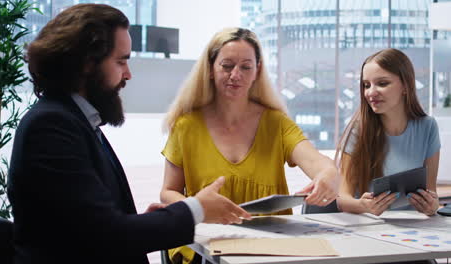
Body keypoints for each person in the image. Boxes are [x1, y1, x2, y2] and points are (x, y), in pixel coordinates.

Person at [7, 4, 251, 264]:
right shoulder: (51, 127)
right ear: (87, 63)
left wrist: (149, 221)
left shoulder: (76, 122)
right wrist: (196, 209)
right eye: (121, 61)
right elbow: (106, 236)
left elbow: (91, 225)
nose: (128, 74)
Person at [160, 27, 339, 263]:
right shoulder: (186, 126)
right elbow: (167, 192)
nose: (236, 75)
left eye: (246, 67)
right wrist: (197, 207)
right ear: (211, 69)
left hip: (271, 249)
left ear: (258, 71)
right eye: (227, 66)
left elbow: (318, 163)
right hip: (205, 247)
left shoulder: (277, 123)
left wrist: (329, 175)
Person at [336, 48, 440, 217]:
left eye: (382, 83)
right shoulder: (359, 130)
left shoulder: (428, 127)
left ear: (405, 86)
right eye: (366, 85)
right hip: (369, 226)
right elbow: (342, 199)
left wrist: (432, 206)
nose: (370, 92)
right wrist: (363, 205)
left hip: (413, 229)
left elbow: (431, 192)